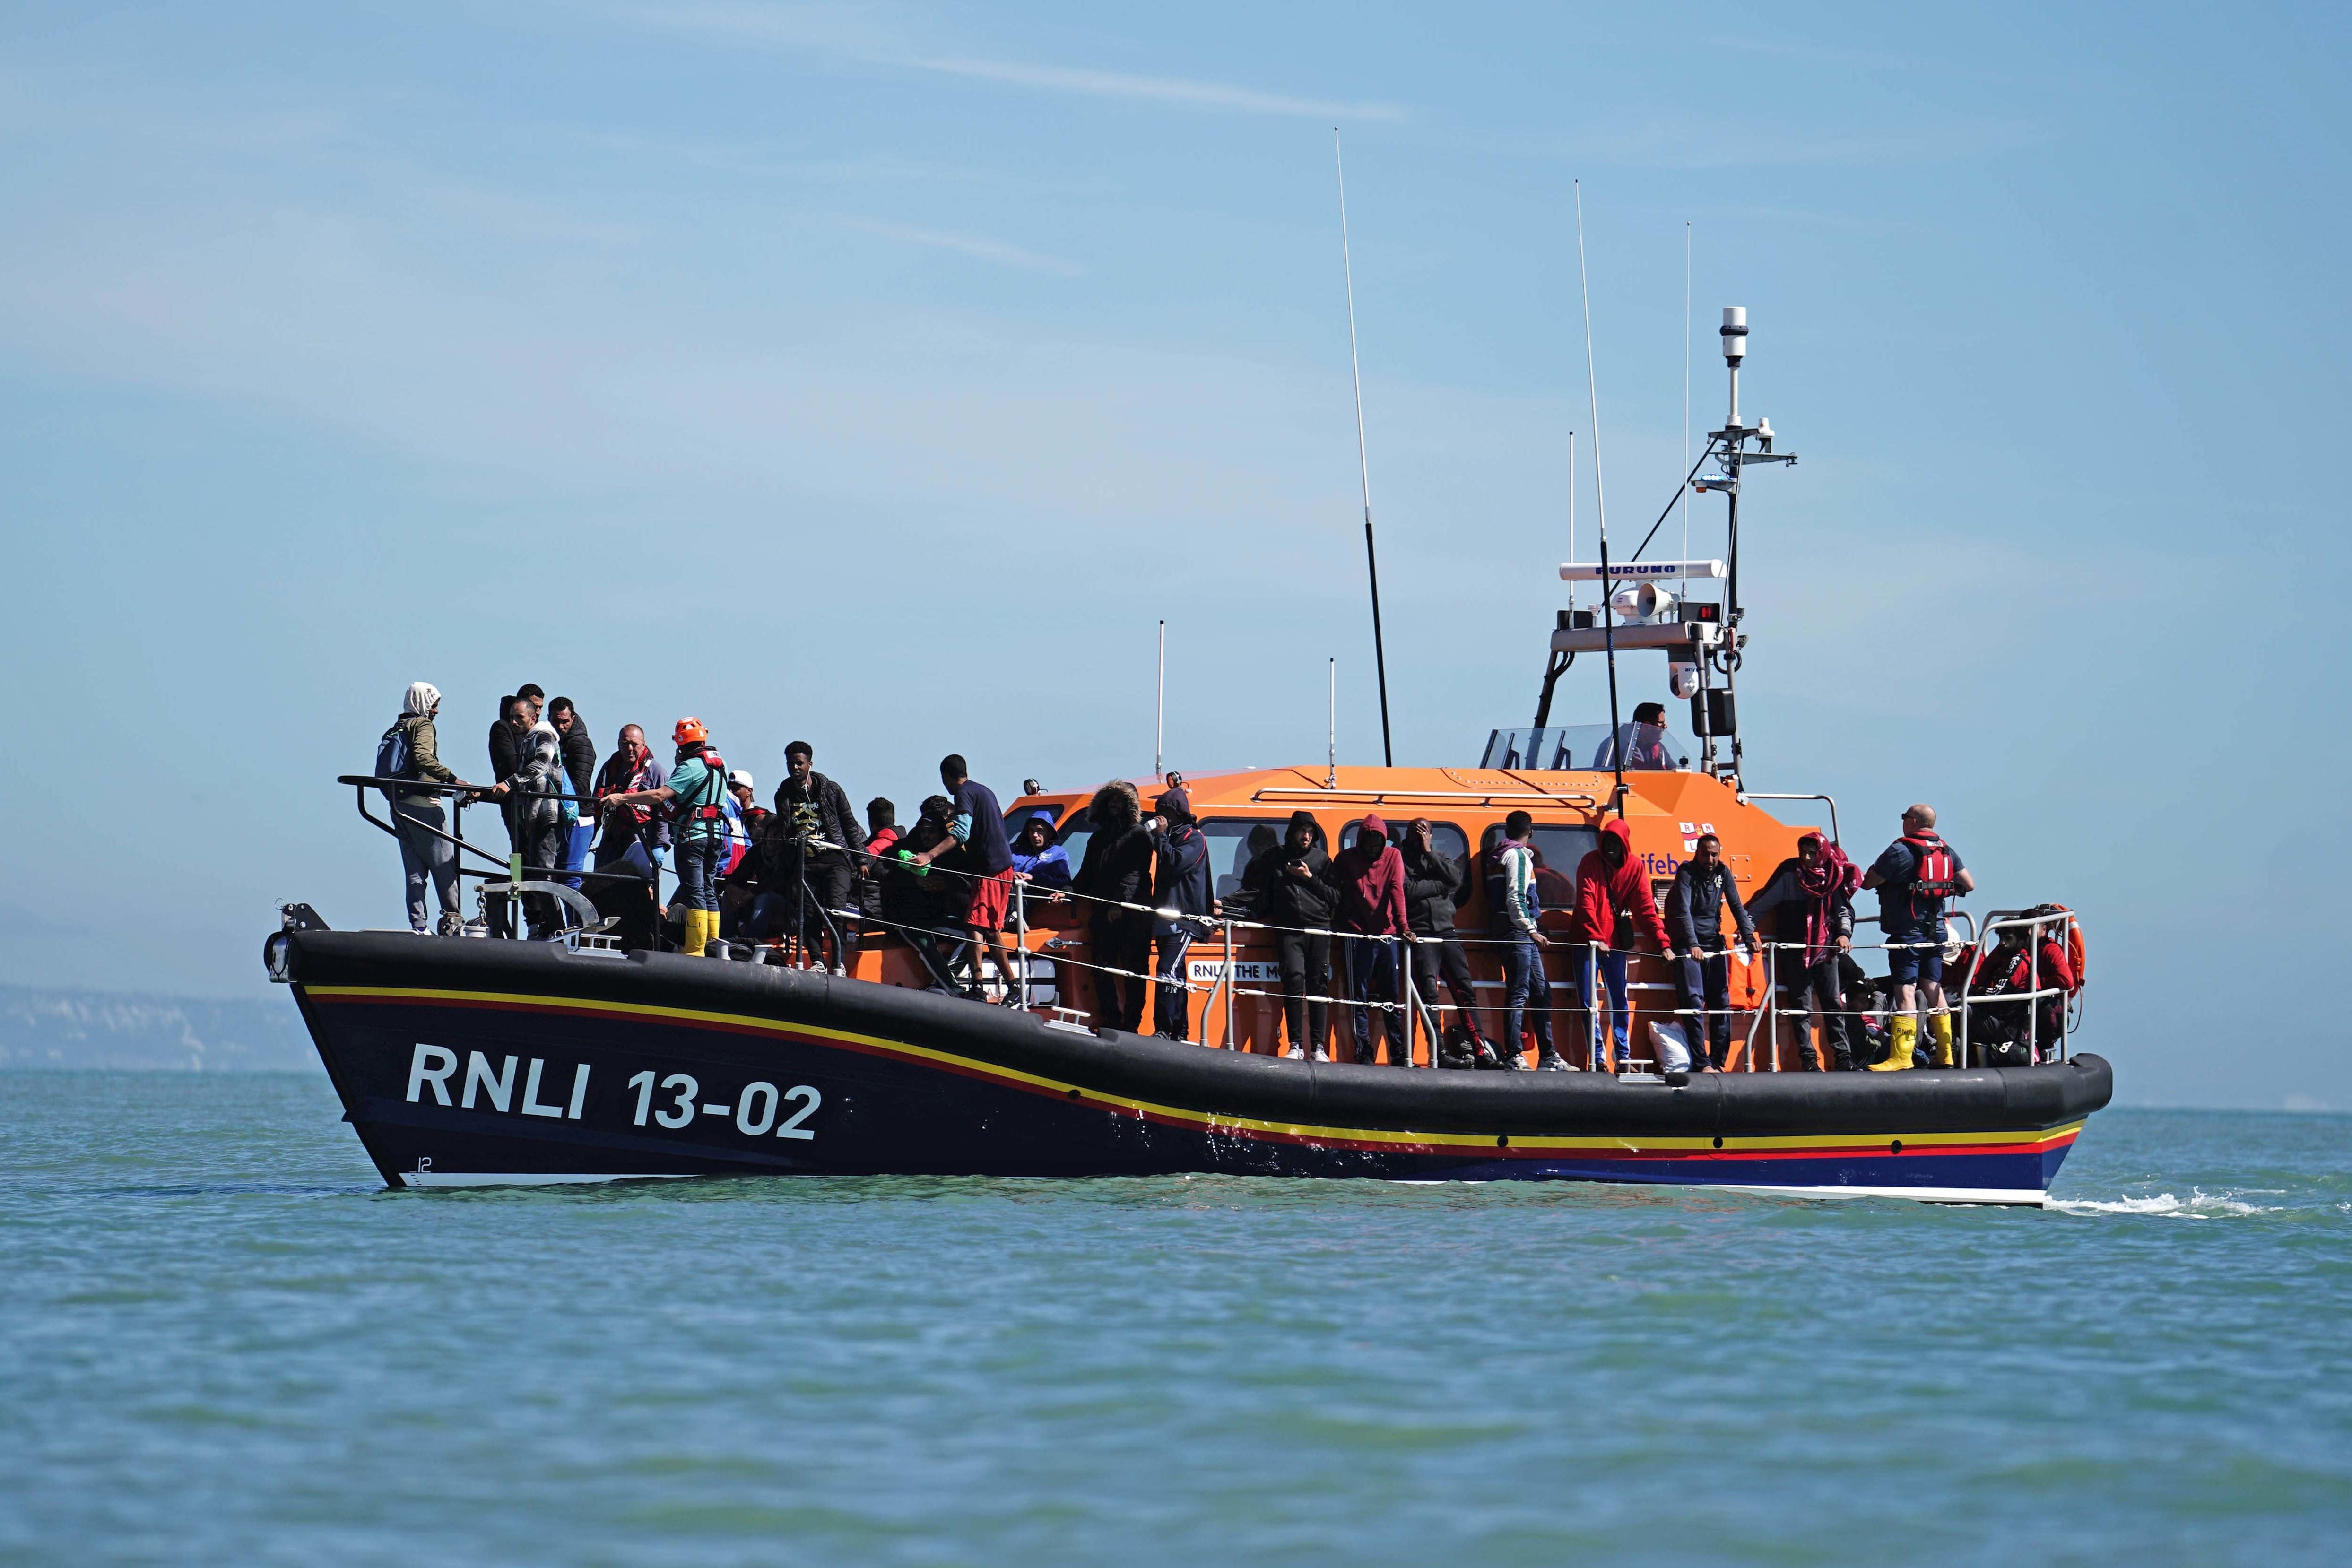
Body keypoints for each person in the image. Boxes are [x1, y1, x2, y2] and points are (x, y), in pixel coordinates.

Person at [603, 719, 730, 957]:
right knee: (709, 889)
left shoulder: (691, 767)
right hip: (715, 837)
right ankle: (715, 944)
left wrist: (622, 798)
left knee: (695, 891)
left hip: (693, 838)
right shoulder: (719, 767)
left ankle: (696, 949)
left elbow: (661, 795)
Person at [1862, 804, 1976, 1069]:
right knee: (1933, 988)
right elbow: (1969, 884)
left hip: (1907, 933)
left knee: (1905, 992)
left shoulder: (1899, 851)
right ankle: (1946, 1053)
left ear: (1912, 822)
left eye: (1904, 818)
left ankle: (1901, 1057)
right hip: (1936, 932)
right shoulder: (1946, 850)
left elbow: (1869, 882)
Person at [903, 755, 1019, 1004]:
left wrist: (930, 855)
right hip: (996, 868)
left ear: (946, 777)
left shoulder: (964, 793)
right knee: (987, 928)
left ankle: (979, 986)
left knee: (976, 926)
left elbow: (962, 832)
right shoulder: (983, 791)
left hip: (991, 870)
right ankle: (1011, 985)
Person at [1748, 831, 1863, 1071]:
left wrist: (1844, 934)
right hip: (1795, 949)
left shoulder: (1834, 875)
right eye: (1803, 853)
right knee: (1801, 1005)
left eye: (1812, 853)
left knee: (1832, 1003)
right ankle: (1809, 1060)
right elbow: (1761, 905)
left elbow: (1843, 911)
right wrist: (1748, 932)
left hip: (1827, 949)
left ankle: (1843, 1058)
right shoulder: (1790, 873)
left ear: (1822, 853)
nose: (1807, 858)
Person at [1573, 817, 1675, 1073]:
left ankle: (1623, 1058)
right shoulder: (1590, 862)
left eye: (1615, 842)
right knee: (1589, 1002)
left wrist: (1663, 944)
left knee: (1619, 999)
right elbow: (1586, 901)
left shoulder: (1635, 867)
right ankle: (1597, 1057)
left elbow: (1646, 910)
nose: (1610, 847)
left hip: (1614, 943)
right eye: (1606, 840)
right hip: (1586, 942)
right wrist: (1595, 937)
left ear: (1624, 845)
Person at [380, 681, 472, 936]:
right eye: (434, 705)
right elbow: (423, 758)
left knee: (414, 869)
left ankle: (419, 925)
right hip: (424, 805)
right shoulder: (422, 725)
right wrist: (454, 780)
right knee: (444, 864)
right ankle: (454, 919)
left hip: (399, 806)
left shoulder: (396, 728)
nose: (436, 711)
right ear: (424, 702)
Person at [1242, 811, 1335, 1061]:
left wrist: (1310, 878)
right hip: (1289, 929)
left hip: (1319, 928)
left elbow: (1335, 897)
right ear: (1292, 831)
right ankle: (1295, 1044)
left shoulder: (1322, 860)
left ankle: (1319, 1046)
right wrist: (1223, 904)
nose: (1307, 836)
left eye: (1311, 832)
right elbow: (1256, 891)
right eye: (1303, 831)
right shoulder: (1276, 858)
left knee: (1318, 985)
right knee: (1294, 980)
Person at [768, 742, 867, 974]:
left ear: (810, 764)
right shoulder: (783, 795)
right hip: (806, 862)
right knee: (809, 913)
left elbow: (849, 824)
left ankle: (838, 963)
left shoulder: (831, 790)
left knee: (835, 910)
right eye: (791, 763)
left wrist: (861, 860)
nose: (795, 768)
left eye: (799, 763)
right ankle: (817, 962)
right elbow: (785, 831)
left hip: (835, 859)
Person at [1402, 819, 1492, 1067]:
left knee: (1465, 993)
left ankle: (1481, 1051)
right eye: (1415, 832)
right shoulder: (1400, 861)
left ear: (1431, 835)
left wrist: (1430, 854)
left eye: (1424, 832)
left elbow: (1455, 879)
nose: (1419, 837)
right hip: (1421, 935)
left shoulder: (1441, 857)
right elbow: (1407, 891)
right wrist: (1438, 886)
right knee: (1429, 995)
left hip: (1447, 933)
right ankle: (1439, 1053)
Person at [1665, 833, 1758, 1072]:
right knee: (1694, 1001)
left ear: (1720, 853)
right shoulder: (1686, 873)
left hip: (1713, 942)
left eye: (1714, 854)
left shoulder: (1723, 872)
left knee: (1721, 1002)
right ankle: (1702, 1061)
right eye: (1705, 853)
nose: (1710, 858)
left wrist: (1749, 936)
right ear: (1697, 853)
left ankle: (1718, 1061)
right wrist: (1693, 944)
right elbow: (1683, 911)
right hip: (1689, 944)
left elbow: (1737, 906)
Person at [1069, 780, 1155, 1031]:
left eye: (1120, 801)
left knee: (1134, 971)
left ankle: (1131, 1024)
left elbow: (1136, 874)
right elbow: (1085, 876)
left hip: (1133, 915)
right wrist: (1066, 893)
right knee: (1101, 967)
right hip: (1101, 912)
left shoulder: (1139, 835)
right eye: (1111, 801)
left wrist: (1121, 904)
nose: (1115, 805)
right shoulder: (1097, 839)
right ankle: (1110, 1018)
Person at [1331, 815, 1412, 1066]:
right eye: (1370, 840)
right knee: (1359, 994)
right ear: (1361, 840)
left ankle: (1398, 1049)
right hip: (1357, 933)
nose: (1374, 846)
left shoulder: (1394, 857)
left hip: (1387, 935)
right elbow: (1337, 893)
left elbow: (1397, 890)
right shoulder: (1345, 860)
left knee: (1392, 995)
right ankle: (1363, 1048)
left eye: (1379, 841)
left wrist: (1403, 927)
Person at [1145, 789, 1215, 1040]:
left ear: (1177, 813)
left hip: (1184, 919)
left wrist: (1161, 838)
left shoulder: (1193, 839)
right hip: (1165, 918)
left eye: (1166, 811)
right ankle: (1180, 1030)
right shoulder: (1169, 839)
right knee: (1177, 973)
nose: (1161, 816)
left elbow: (1177, 864)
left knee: (1167, 969)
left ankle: (1163, 1028)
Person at [1487, 812, 1551, 1070]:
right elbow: (1516, 898)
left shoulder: (1497, 856)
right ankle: (1514, 1053)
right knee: (1519, 992)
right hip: (1519, 933)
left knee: (1541, 991)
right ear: (1530, 831)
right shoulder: (1518, 856)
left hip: (1512, 932)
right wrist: (1531, 929)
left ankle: (1548, 1055)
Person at [591, 725, 670, 873]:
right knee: (601, 884)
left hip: (641, 840)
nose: (629, 749)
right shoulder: (609, 768)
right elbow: (596, 807)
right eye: (625, 744)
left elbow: (663, 812)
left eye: (634, 744)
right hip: (611, 839)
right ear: (619, 744)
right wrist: (588, 836)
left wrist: (660, 845)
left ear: (643, 744)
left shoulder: (655, 771)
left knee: (639, 889)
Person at [547, 698, 598, 880]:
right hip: (562, 817)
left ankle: (581, 910)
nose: (561, 726)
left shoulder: (581, 744)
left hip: (579, 818)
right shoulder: (553, 742)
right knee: (558, 876)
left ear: (573, 719)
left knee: (571, 876)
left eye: (565, 722)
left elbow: (580, 785)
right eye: (556, 722)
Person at [1594, 702, 1676, 771]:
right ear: (1647, 725)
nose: (1665, 726)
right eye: (1660, 723)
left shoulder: (1660, 750)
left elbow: (1674, 771)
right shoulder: (1613, 746)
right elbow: (1601, 774)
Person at [1009, 810, 1073, 892]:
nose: (1035, 835)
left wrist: (1034, 878)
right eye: (1032, 830)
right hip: (1007, 898)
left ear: (1050, 833)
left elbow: (1064, 882)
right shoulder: (1014, 850)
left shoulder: (1058, 853)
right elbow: (995, 871)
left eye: (1040, 830)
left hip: (1035, 902)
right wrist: (1011, 875)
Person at [859, 798, 900, 920]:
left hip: (874, 906)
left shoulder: (882, 844)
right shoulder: (903, 839)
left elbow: (864, 858)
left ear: (871, 823)